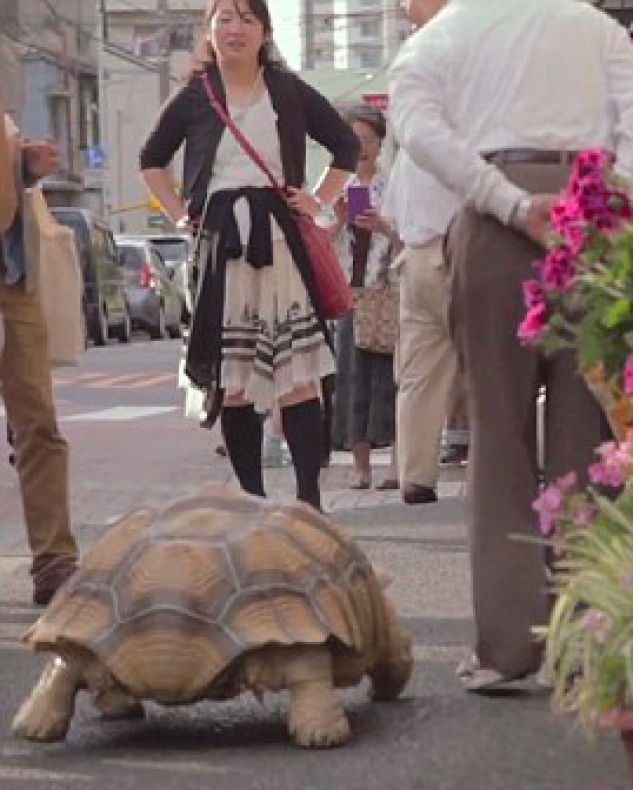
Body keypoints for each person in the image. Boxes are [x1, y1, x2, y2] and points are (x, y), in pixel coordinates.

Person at [389, 0, 633, 687]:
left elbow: (416, 127)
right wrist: (616, 199)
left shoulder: (446, 32)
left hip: (493, 223)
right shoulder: (596, 27)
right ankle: (586, 644)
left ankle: (506, 649)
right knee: (588, 427)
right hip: (589, 213)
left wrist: (503, 198)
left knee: (498, 433)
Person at [139, 0, 358, 511]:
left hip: (281, 241)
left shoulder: (286, 89)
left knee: (298, 377)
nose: (234, 29)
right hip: (220, 247)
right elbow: (151, 160)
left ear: (264, 31)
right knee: (234, 379)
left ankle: (309, 502)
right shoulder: (196, 95)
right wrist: (177, 212)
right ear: (210, 31)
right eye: (224, 20)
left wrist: (318, 199)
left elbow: (345, 145)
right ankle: (252, 502)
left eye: (246, 19)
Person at [1, 47, 79, 605]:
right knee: (37, 428)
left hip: (13, 276)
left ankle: (54, 560)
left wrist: (23, 166)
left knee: (39, 425)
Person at [380, 0, 461, 506]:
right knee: (493, 362)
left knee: (418, 373)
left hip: (421, 246)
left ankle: (416, 475)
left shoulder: (424, 59)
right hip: (454, 241)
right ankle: (508, 471)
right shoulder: (458, 55)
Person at [332, 105, 399, 491]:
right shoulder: (333, 186)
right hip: (347, 293)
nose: (362, 148)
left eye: (368, 140)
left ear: (379, 143)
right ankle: (361, 467)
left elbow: (408, 236)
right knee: (351, 379)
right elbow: (318, 241)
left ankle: (394, 463)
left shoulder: (391, 185)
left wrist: (381, 226)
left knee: (388, 379)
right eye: (354, 140)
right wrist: (341, 218)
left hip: (385, 290)